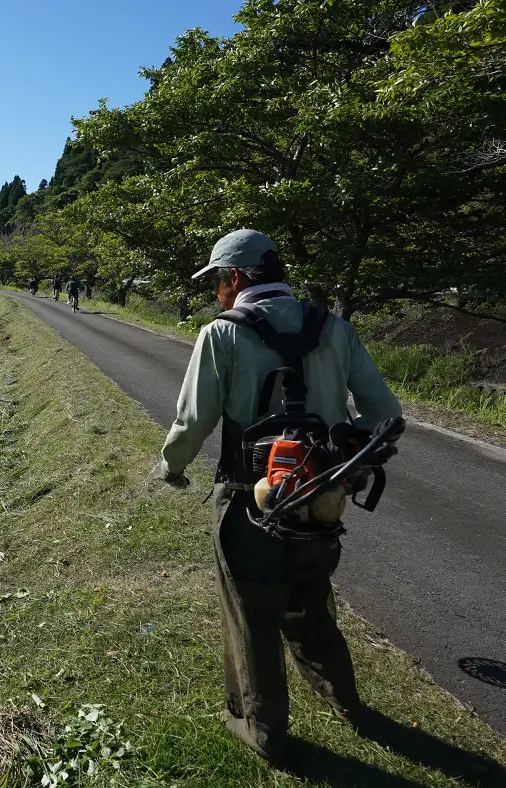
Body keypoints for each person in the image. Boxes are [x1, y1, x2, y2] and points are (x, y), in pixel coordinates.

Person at [153, 229, 402, 766]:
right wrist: (342, 445)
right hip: (322, 498)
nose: (218, 290)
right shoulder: (333, 327)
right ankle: (346, 702)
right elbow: (385, 413)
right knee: (309, 601)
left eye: (219, 279)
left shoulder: (222, 333)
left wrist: (169, 467)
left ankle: (262, 730)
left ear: (236, 277)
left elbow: (194, 421)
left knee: (250, 615)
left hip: (250, 497)